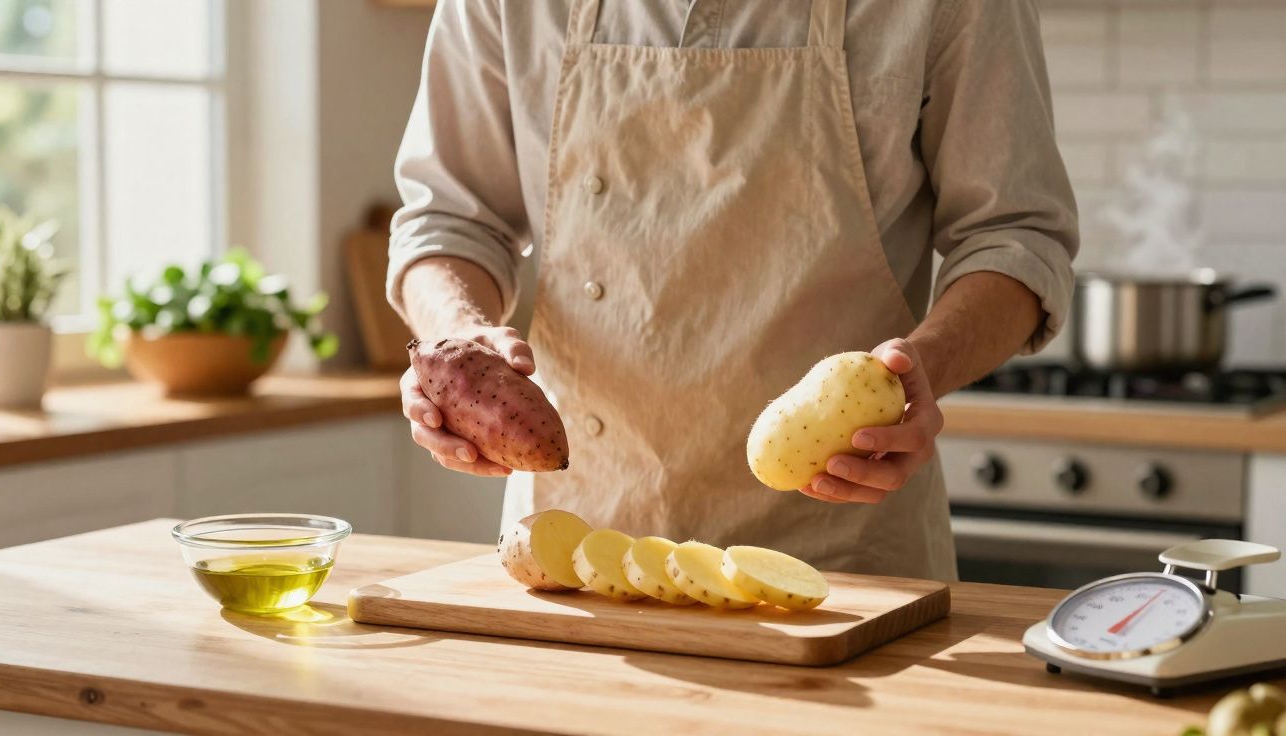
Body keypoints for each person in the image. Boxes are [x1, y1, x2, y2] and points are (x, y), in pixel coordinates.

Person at [388, 0, 1077, 580]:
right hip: (575, 553)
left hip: (843, 562)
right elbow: (449, 219)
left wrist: (921, 368)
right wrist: (458, 334)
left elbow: (1015, 237)